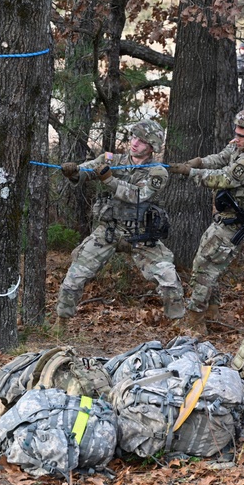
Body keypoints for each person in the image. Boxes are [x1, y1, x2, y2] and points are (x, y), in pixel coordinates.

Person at [54, 120, 185, 332]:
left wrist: (109, 180)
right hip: (108, 230)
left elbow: (138, 196)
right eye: (134, 137)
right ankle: (61, 323)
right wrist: (73, 172)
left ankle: (180, 326)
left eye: (142, 141)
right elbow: (86, 171)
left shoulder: (158, 172)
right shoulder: (111, 160)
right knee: (75, 275)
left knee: (168, 277)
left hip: (141, 235)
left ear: (152, 146)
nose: (135, 143)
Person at [168, 109, 244, 333]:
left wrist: (190, 172)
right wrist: (200, 162)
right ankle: (211, 312)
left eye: (242, 134)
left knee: (206, 269)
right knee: (204, 262)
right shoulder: (241, 145)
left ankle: (195, 321)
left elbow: (224, 178)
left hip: (237, 223)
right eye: (236, 133)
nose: (236, 137)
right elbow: (222, 157)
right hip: (225, 218)